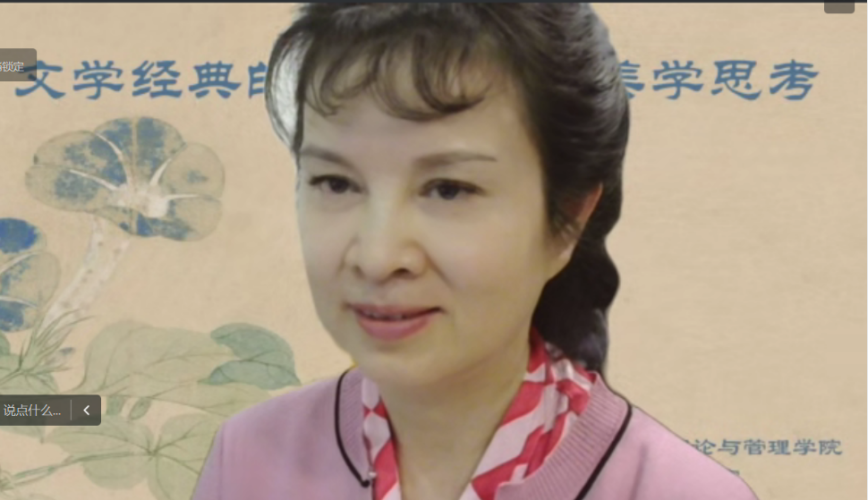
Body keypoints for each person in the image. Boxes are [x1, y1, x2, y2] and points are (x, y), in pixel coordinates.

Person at [192, 4, 759, 499]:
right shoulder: (246, 458)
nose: (377, 256)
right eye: (335, 183)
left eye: (448, 189)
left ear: (567, 220)